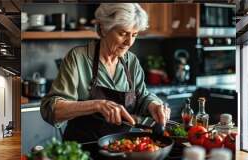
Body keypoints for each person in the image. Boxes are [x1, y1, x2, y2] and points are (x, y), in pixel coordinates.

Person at [41, 3, 170, 143]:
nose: (129, 42)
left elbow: (141, 97)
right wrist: (97, 105)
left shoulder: (131, 62)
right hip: (83, 149)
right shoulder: (78, 58)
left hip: (121, 148)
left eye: (134, 35)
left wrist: (153, 104)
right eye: (123, 33)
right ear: (103, 29)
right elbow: (51, 109)